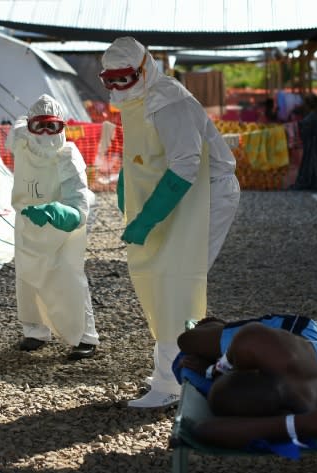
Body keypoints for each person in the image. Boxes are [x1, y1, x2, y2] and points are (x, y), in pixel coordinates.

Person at [100, 37, 240, 408]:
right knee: (161, 278)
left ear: (144, 69)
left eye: (123, 78)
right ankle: (179, 367)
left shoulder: (169, 100)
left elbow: (185, 164)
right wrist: (127, 188)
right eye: (108, 80)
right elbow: (143, 153)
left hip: (205, 196)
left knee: (175, 281)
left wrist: (147, 218)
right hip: (184, 197)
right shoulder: (139, 97)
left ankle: (172, 382)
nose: (116, 88)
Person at [174, 315, 317, 450]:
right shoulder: (301, 398)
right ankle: (219, 330)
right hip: (296, 339)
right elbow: (250, 336)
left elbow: (205, 430)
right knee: (191, 341)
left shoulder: (300, 404)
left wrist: (216, 369)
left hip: (292, 353)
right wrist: (221, 368)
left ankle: (217, 331)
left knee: (187, 342)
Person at [7, 94, 99, 361]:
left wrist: (55, 211)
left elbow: (79, 204)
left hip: (61, 230)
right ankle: (35, 330)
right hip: (26, 223)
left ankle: (85, 336)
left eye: (53, 126)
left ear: (63, 128)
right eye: (40, 126)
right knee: (26, 277)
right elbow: (18, 124)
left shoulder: (67, 157)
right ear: (30, 127)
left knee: (69, 279)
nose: (46, 133)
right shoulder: (21, 142)